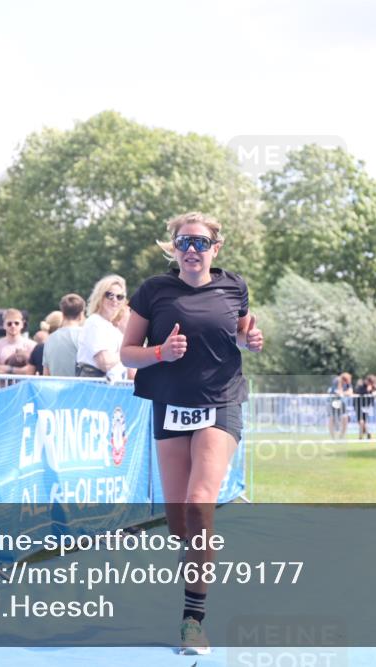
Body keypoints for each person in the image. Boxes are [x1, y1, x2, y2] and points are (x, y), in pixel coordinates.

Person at [120, 212, 263, 655]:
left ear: (216, 248)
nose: (192, 250)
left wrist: (251, 340)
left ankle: (193, 621)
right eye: (184, 242)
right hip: (170, 405)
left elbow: (241, 332)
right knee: (179, 520)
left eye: (201, 242)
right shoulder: (153, 291)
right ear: (173, 247)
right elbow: (127, 354)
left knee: (200, 504)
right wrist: (161, 353)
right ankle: (195, 551)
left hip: (220, 401)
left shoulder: (233, 286)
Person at [77, 275, 130, 381]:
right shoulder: (95, 322)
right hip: (94, 386)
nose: (115, 300)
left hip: (111, 386)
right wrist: (127, 352)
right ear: (100, 297)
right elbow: (105, 363)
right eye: (110, 295)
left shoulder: (112, 327)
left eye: (120, 297)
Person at [43, 293, 86, 377]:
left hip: (56, 385)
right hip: (81, 384)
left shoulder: (50, 338)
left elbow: (46, 374)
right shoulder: (85, 336)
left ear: (62, 314)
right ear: (81, 315)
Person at [0, 308, 36, 374]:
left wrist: (10, 369)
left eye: (16, 323)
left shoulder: (32, 346)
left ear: (22, 324)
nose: (13, 326)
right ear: (4, 325)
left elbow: (32, 369)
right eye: (9, 323)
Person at [327, 372, 353, 438]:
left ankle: (341, 436)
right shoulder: (336, 381)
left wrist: (343, 393)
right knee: (332, 418)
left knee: (345, 418)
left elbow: (350, 392)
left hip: (341, 402)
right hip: (333, 401)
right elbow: (338, 392)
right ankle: (332, 436)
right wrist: (340, 383)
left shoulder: (347, 383)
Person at [354, 374, 376, 439]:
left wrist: (372, 391)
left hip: (366, 406)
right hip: (358, 405)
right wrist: (367, 391)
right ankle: (366, 434)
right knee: (361, 421)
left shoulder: (373, 387)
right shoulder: (361, 386)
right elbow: (357, 392)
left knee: (362, 421)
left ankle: (362, 435)